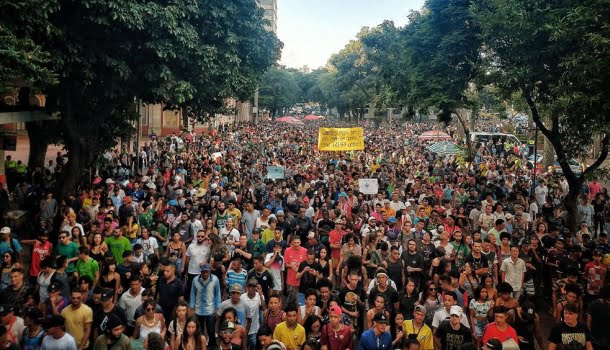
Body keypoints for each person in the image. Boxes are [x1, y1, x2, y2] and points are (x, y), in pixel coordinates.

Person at [190, 263, 221, 349]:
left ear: (209, 271)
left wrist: (217, 308)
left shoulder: (215, 280)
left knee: (211, 329)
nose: (205, 274)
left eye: (206, 272)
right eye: (203, 272)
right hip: (198, 309)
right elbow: (193, 294)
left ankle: (212, 346)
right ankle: (200, 346)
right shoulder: (195, 280)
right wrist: (192, 308)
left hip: (210, 309)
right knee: (199, 330)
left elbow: (217, 293)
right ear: (201, 272)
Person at [587, 285, 610, 349]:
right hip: (597, 338)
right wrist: (589, 335)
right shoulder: (593, 305)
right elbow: (588, 321)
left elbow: (588, 321)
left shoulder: (593, 304)